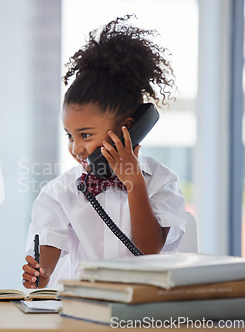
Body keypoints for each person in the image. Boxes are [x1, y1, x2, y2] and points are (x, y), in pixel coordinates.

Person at [22, 15, 186, 289]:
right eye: (70, 136)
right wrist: (41, 272)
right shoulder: (60, 192)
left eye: (86, 135)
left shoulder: (160, 182)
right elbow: (49, 247)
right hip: (84, 311)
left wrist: (134, 183)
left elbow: (149, 252)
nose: (76, 148)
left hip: (146, 311)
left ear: (128, 129)